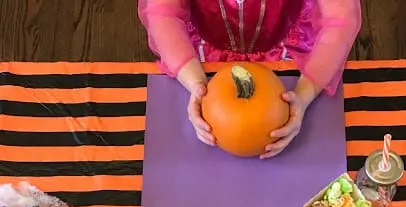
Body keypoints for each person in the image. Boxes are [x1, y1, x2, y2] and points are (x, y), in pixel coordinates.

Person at [138, 0, 361, 158]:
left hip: (287, 50)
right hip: (204, 55)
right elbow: (161, 12)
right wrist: (197, 85)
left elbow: (341, 19)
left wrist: (301, 98)